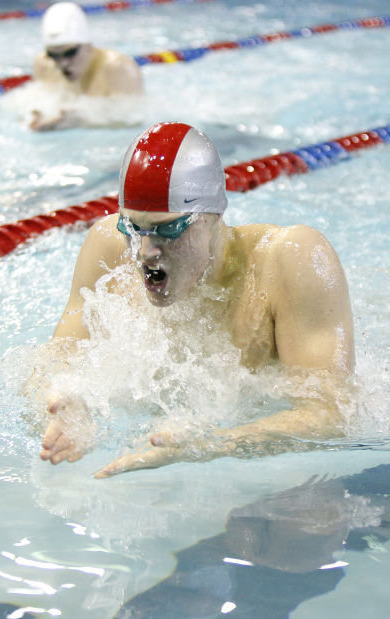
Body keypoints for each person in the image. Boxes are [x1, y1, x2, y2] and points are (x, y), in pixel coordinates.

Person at [38, 121, 355, 476]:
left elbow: (330, 414)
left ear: (213, 216)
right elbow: (52, 360)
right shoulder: (107, 247)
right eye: (133, 228)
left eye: (168, 229)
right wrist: (66, 406)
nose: (144, 252)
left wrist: (213, 445)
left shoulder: (288, 260)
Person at [29, 1, 144, 131]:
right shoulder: (44, 63)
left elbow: (134, 120)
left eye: (70, 53)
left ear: (88, 45)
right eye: (53, 55)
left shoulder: (118, 67)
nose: (62, 63)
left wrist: (83, 120)